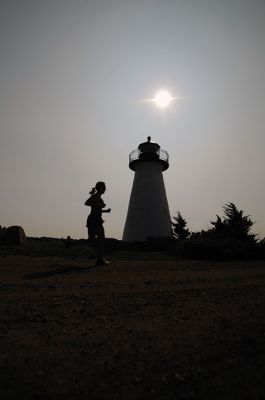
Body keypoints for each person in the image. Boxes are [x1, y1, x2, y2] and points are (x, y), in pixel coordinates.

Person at [85, 181, 111, 266]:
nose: (105, 189)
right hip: (94, 219)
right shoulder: (95, 196)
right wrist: (99, 205)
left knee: (94, 240)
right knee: (100, 239)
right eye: (104, 187)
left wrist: (105, 211)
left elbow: (97, 209)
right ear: (100, 188)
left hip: (95, 219)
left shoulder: (99, 197)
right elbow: (87, 203)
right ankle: (100, 260)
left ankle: (70, 243)